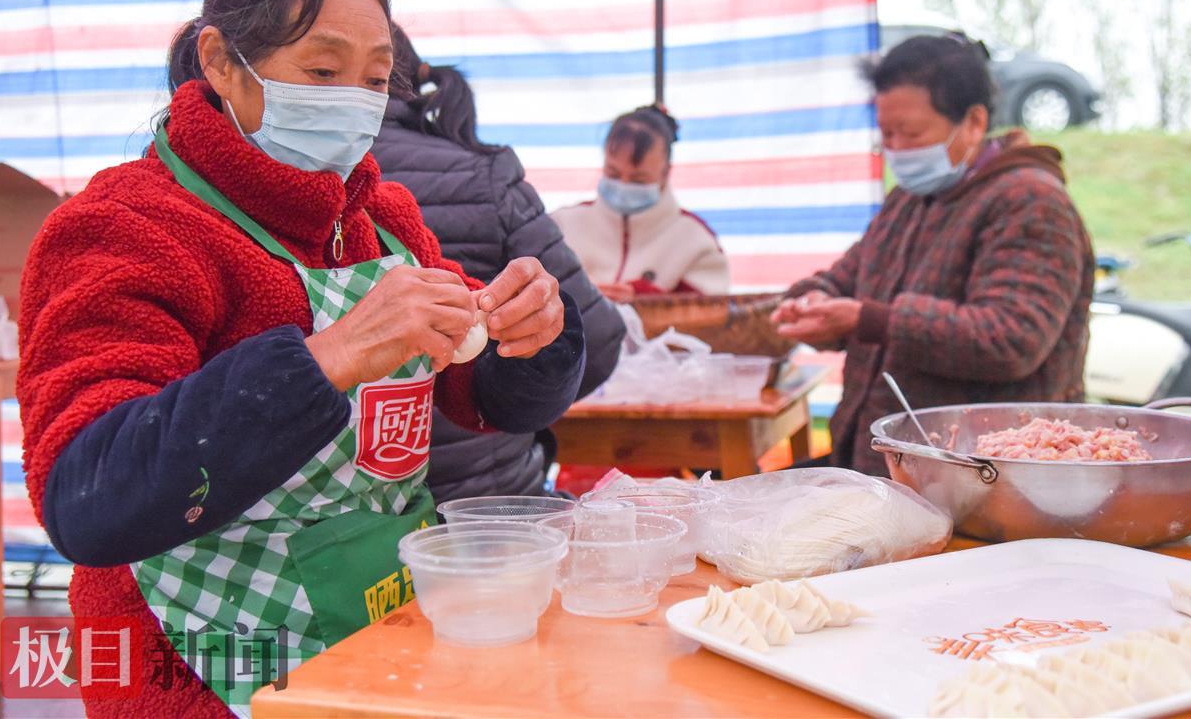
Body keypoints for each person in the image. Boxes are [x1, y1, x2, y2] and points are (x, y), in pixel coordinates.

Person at [17, 0, 585, 718]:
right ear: (220, 62)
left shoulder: (380, 217)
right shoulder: (126, 226)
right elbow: (87, 492)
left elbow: (478, 395)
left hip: (375, 621)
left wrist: (532, 337)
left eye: (376, 80)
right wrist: (330, 356)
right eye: (322, 71)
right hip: (197, 663)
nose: (353, 102)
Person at [772, 34, 1093, 476]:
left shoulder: (1030, 202)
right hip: (887, 468)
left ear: (974, 122)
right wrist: (813, 299)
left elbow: (1011, 338)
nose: (898, 149)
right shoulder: (907, 199)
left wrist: (867, 319)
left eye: (913, 133)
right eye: (887, 134)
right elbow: (848, 277)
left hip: (982, 479)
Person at [371, 25, 625, 502]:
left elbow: (567, 335)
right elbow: (602, 341)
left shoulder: (399, 213)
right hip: (486, 500)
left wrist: (542, 333)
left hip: (403, 516)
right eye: (321, 71)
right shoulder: (482, 175)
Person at [552, 105, 730, 302]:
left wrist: (646, 302)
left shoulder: (696, 241)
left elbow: (711, 318)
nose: (623, 185)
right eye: (613, 174)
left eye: (639, 179)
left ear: (665, 173)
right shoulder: (562, 226)